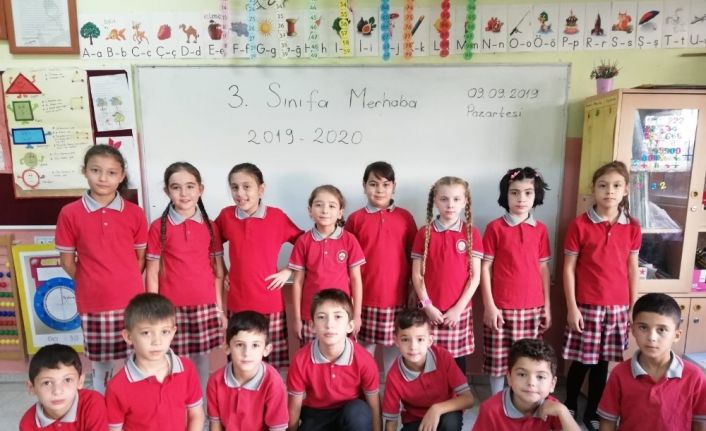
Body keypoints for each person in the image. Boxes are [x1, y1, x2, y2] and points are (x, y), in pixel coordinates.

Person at [56, 144, 148, 394]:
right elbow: (67, 262)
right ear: (84, 171)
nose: (103, 178)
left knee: (135, 360)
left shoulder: (135, 213)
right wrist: (91, 280)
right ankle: (102, 406)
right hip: (93, 302)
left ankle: (133, 404)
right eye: (96, 170)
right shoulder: (70, 213)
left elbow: (140, 258)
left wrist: (123, 280)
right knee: (101, 364)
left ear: (121, 175)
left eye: (111, 172)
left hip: (131, 301)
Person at [562, 161, 641, 430]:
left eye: (617, 186)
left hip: (617, 306)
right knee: (582, 360)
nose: (609, 191)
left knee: (602, 363)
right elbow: (569, 268)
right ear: (593, 190)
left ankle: (593, 411)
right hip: (587, 305)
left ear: (626, 190)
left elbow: (632, 268)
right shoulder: (579, 225)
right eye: (603, 185)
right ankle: (570, 403)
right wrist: (572, 307)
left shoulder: (632, 227)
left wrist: (632, 306)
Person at [146, 162, 225, 393]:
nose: (184, 193)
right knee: (174, 361)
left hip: (204, 306)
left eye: (190, 186)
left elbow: (218, 273)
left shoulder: (210, 227)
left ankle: (200, 405)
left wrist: (220, 309)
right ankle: (177, 403)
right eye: (176, 187)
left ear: (200, 189)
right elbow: (152, 273)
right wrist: (155, 312)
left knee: (201, 361)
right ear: (167, 191)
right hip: (171, 308)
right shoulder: (158, 227)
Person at [215, 162, 303, 367]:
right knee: (240, 362)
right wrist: (225, 271)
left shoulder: (277, 217)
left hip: (270, 302)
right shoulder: (226, 216)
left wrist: (289, 270)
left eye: (247, 186)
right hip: (238, 302)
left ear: (261, 189)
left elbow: (305, 243)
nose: (240, 193)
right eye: (234, 187)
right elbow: (211, 246)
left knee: (272, 364)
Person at [481, 167, 551, 395]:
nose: (521, 198)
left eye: (528, 193)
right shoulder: (495, 228)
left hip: (533, 307)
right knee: (498, 359)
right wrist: (489, 305)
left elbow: (543, 268)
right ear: (506, 195)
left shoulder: (540, 230)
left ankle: (524, 399)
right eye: (514, 192)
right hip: (501, 307)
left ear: (536, 195)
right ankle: (496, 400)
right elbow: (485, 268)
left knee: (529, 360)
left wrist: (547, 306)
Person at [345, 161, 417, 374]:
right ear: (364, 186)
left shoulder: (405, 217)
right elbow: (346, 261)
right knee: (364, 352)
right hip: (365, 298)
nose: (379, 190)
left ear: (394, 186)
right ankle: (365, 390)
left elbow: (414, 258)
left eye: (385, 184)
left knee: (395, 349)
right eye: (373, 184)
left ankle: (393, 391)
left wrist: (413, 288)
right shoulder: (355, 219)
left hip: (397, 297)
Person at [597, 293, 706, 430]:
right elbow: (607, 422)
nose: (651, 337)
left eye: (661, 330)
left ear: (676, 335)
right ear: (633, 330)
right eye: (643, 327)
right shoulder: (619, 374)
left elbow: (700, 424)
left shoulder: (694, 376)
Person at [411, 176, 482, 374]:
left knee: (456, 365)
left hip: (458, 313)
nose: (450, 205)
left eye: (456, 199)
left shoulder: (471, 233)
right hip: (429, 311)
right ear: (435, 201)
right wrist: (428, 306)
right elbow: (417, 276)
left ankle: (457, 395)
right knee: (425, 361)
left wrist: (458, 309)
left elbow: (475, 277)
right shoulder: (424, 233)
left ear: (465, 201)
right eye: (444, 199)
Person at [105, 293, 204, 431]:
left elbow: (196, 414)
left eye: (164, 332)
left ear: (173, 332)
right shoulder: (117, 387)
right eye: (146, 333)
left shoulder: (186, 368)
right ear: (128, 336)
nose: (157, 342)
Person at [287, 288, 381, 431]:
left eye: (337, 316)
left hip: (350, 412)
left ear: (350, 326)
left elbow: (374, 406)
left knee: (359, 414)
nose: (329, 324)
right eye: (321, 317)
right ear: (312, 326)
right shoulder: (300, 360)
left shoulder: (364, 359)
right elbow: (294, 408)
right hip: (316, 415)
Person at [289, 185, 366, 342]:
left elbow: (356, 279)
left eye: (331, 206)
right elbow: (297, 283)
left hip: (341, 315)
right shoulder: (303, 241)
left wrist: (357, 315)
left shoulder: (349, 240)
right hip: (311, 315)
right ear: (310, 211)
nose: (325, 210)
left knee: (342, 354)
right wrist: (296, 318)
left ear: (340, 213)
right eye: (319, 205)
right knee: (311, 354)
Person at [382, 309, 473, 431]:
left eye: (420, 339)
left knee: (451, 421)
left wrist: (436, 409)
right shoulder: (394, 376)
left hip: (445, 414)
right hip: (415, 422)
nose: (413, 347)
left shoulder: (443, 357)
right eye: (405, 339)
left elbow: (468, 399)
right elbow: (391, 421)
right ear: (396, 341)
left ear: (429, 341)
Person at [473, 339, 580, 431]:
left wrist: (563, 412)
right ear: (509, 378)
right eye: (522, 374)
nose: (531, 383)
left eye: (540, 377)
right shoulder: (490, 409)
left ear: (552, 384)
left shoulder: (554, 408)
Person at [206, 311, 288, 431]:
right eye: (240, 345)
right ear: (227, 348)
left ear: (266, 349)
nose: (246, 353)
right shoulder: (215, 381)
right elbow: (215, 425)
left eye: (255, 345)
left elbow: (277, 428)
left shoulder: (274, 383)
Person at [20, 344, 107, 431]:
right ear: (32, 387)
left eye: (67, 380)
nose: (57, 391)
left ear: (80, 381)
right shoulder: (28, 424)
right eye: (47, 383)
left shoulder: (93, 403)